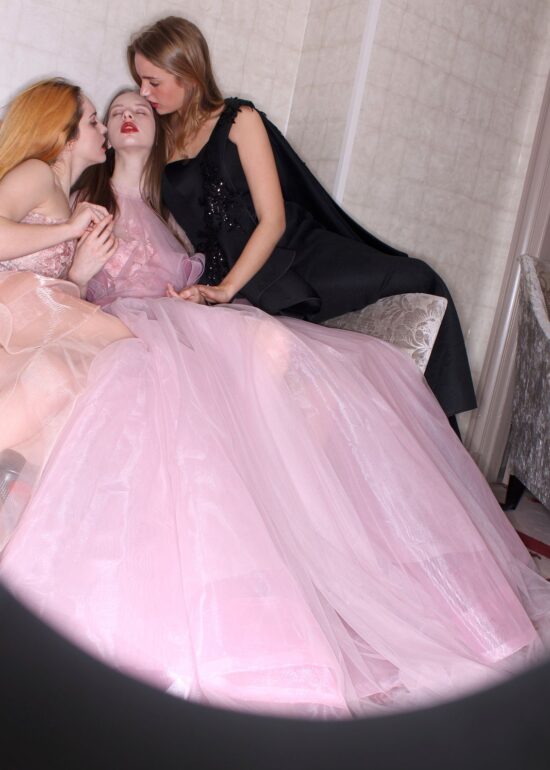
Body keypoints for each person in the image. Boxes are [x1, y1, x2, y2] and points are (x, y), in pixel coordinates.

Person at [2, 89, 549, 719]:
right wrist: (81, 255)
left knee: (286, 359)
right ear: (68, 130)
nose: (120, 118)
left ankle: (311, 542)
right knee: (148, 380)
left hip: (167, 318)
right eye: (106, 113)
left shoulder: (170, 212)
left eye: (141, 109)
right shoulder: (78, 199)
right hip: (110, 322)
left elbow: (218, 254)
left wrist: (207, 292)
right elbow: (61, 288)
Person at [126, 16, 476, 422]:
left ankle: (440, 426)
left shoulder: (239, 119)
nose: (144, 92)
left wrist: (226, 289)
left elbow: (273, 220)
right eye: (140, 81)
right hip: (224, 279)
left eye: (153, 81)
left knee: (420, 278)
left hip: (295, 256)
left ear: (188, 73)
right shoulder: (159, 141)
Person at [0, 78, 133, 550]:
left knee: (78, 389)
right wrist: (69, 230)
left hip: (29, 316)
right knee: (122, 352)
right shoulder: (37, 173)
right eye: (94, 120)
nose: (104, 129)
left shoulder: (65, 197)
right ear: (67, 134)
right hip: (9, 312)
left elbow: (53, 292)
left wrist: (79, 271)